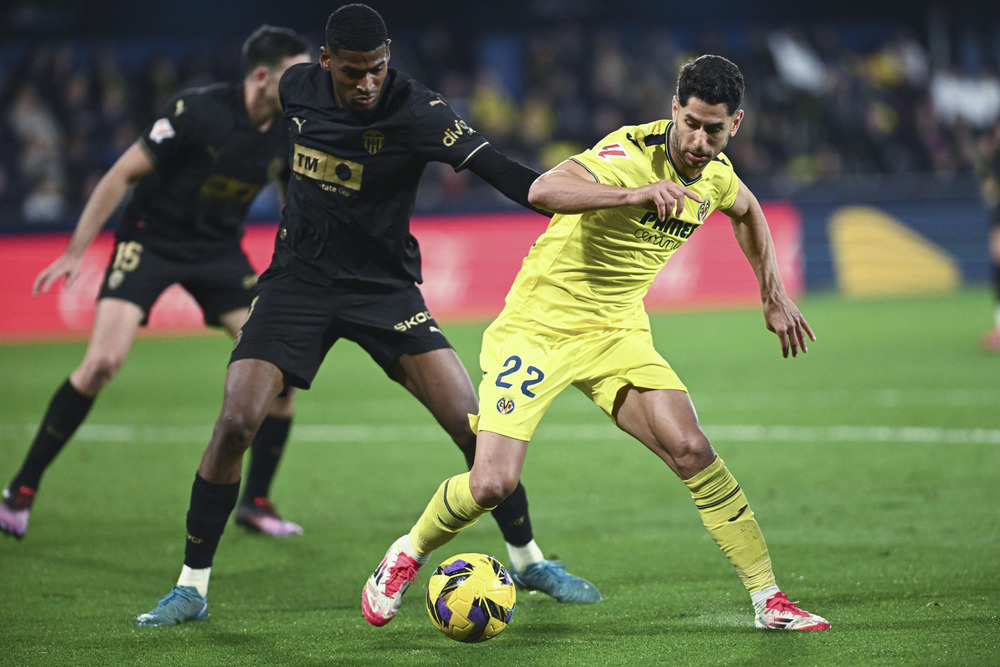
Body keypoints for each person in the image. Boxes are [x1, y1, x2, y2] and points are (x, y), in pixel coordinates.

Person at [135, 3, 599, 627]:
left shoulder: (419, 110)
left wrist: (597, 199)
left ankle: (528, 558)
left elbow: (507, 175)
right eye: (352, 72)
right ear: (323, 62)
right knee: (235, 422)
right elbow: (251, 138)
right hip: (296, 284)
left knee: (475, 429)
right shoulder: (295, 87)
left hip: (384, 291)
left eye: (376, 69)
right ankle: (191, 586)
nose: (366, 83)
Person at [363, 54, 833, 631]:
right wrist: (633, 195)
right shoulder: (627, 154)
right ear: (673, 110)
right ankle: (406, 553)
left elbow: (748, 209)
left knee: (691, 448)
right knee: (492, 482)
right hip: (540, 328)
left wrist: (772, 292)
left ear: (735, 124)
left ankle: (769, 601)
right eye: (690, 121)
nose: (699, 138)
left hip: (616, 331)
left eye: (714, 128)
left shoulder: (716, 174)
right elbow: (543, 189)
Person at [0, 26, 312, 541]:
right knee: (101, 363)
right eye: (294, 74)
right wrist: (76, 251)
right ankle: (20, 493)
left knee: (280, 369)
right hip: (151, 242)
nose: (305, 84)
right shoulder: (198, 111)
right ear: (262, 76)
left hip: (217, 252)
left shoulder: (288, 129)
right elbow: (121, 175)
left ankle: (255, 502)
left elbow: (293, 204)